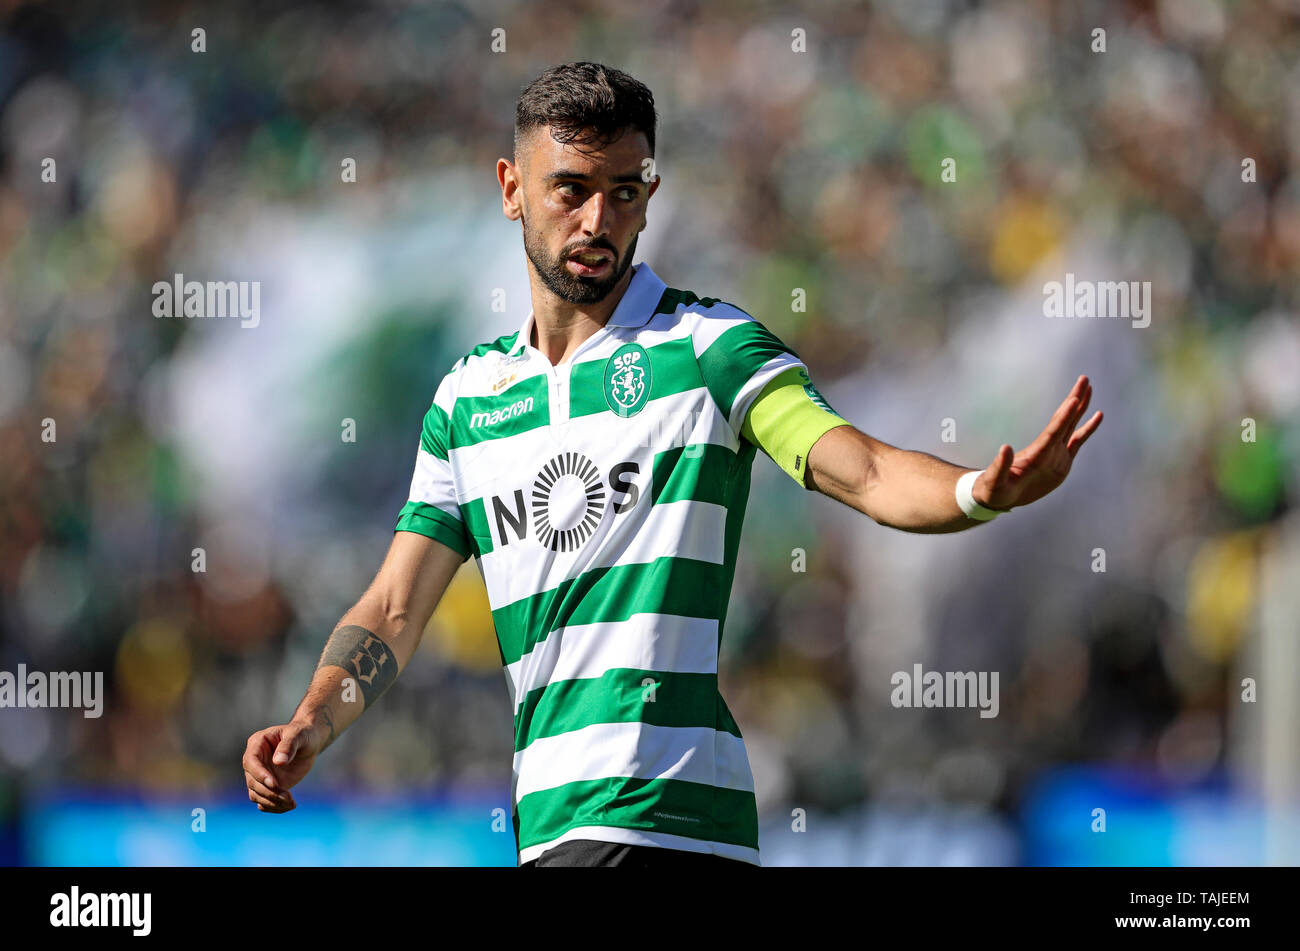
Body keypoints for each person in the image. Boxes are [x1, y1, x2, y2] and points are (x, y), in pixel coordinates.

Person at [242, 61, 1102, 868]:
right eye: (570, 190)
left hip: (663, 816)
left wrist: (975, 494)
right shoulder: (467, 401)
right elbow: (395, 606)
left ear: (649, 196)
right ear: (511, 190)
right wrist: (314, 720)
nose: (597, 221)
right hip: (553, 826)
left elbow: (864, 470)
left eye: (625, 192)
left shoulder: (707, 349)